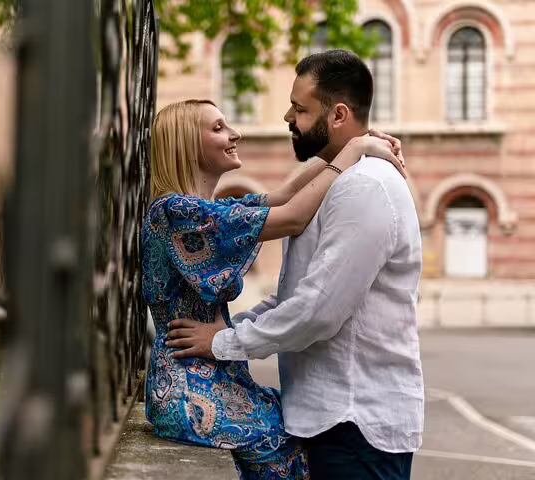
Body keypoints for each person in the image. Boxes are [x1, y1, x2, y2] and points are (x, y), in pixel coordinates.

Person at [166, 49, 423, 480]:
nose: (288, 116)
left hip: (355, 423)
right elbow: (295, 297)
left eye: (300, 109)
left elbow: (317, 311)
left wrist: (224, 342)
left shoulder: (365, 188)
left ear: (338, 115)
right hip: (327, 420)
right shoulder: (338, 182)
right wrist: (227, 333)